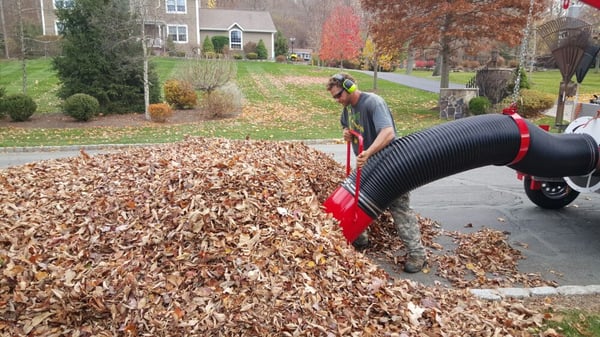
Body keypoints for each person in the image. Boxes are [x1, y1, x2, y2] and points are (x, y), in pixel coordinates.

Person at [326, 73, 427, 273]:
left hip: (390, 165)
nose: (337, 100)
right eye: (334, 98)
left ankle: (418, 255)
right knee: (357, 200)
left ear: (350, 87)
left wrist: (369, 152)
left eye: (339, 95)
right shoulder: (348, 109)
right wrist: (346, 132)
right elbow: (347, 126)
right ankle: (360, 238)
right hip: (367, 165)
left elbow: (388, 133)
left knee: (399, 208)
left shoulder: (373, 103)